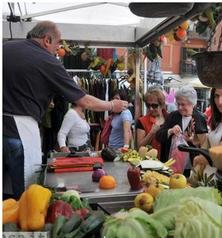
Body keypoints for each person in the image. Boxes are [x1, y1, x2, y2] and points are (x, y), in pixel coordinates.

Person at [3, 21, 128, 198]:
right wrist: (111, 105)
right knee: (25, 196)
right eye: (58, 43)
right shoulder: (47, 61)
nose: (59, 49)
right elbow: (83, 100)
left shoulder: (5, 47)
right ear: (47, 40)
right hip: (19, 132)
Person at [156, 86, 208, 174]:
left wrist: (191, 140)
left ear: (192, 104)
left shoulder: (200, 118)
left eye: (183, 104)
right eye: (178, 104)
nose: (180, 107)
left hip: (191, 166)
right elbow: (158, 136)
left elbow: (204, 145)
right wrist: (170, 131)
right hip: (170, 164)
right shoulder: (173, 116)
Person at [136, 88, 168, 152]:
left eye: (154, 105)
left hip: (168, 160)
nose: (150, 109)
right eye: (148, 105)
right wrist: (151, 133)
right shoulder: (142, 121)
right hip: (150, 160)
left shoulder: (170, 118)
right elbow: (139, 147)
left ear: (161, 104)